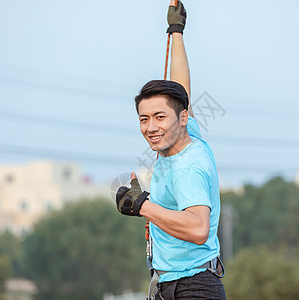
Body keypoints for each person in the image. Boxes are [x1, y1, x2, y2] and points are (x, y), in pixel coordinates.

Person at [115, 1, 226, 299]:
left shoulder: (188, 166)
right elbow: (181, 89)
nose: (151, 127)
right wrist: (176, 32)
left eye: (159, 117)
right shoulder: (185, 134)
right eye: (144, 119)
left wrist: (142, 206)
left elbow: (199, 228)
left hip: (191, 289)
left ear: (181, 118)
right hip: (176, 286)